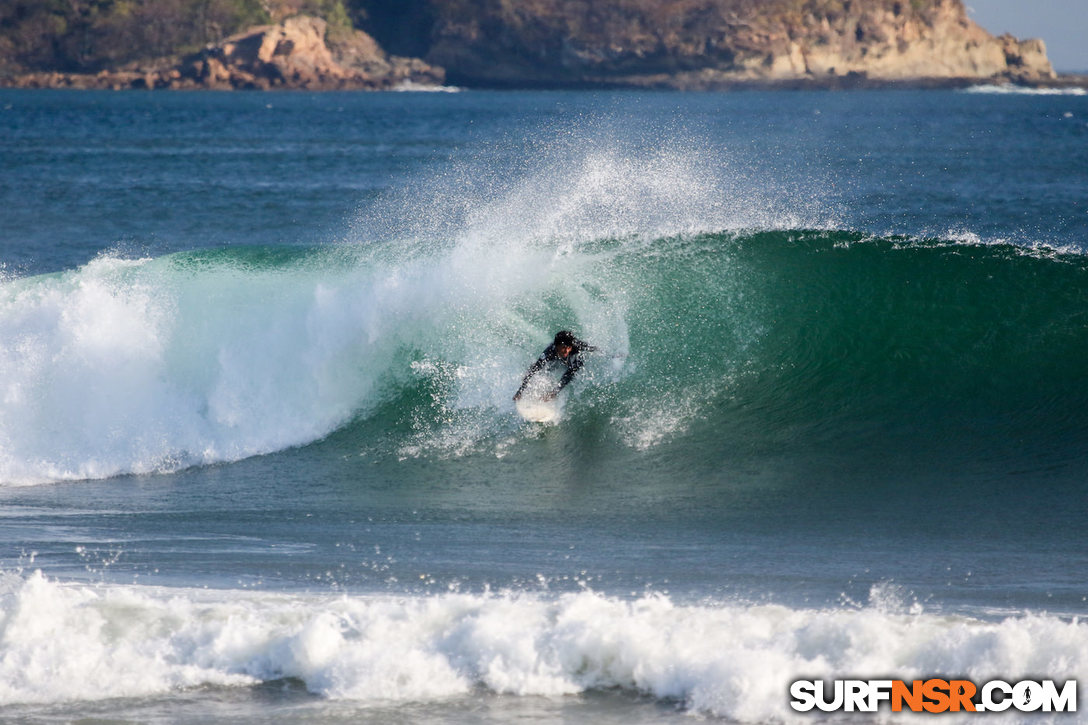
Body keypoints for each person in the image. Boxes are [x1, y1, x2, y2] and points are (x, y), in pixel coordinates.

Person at [514, 330, 596, 401]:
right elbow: (535, 369)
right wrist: (519, 392)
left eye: (568, 348)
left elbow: (569, 375)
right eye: (564, 347)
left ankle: (553, 393)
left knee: (575, 367)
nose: (566, 350)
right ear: (557, 346)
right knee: (537, 368)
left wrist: (555, 392)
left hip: (575, 357)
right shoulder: (549, 352)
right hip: (556, 356)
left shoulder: (576, 347)